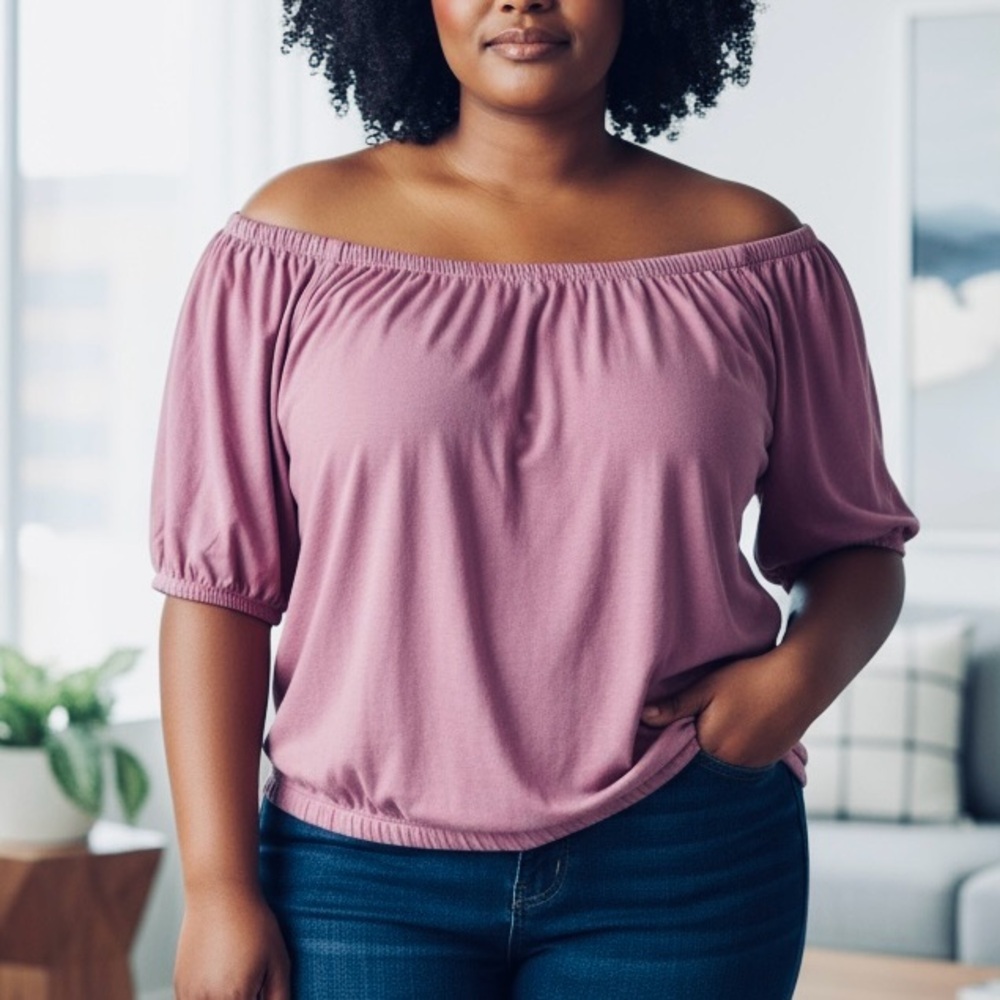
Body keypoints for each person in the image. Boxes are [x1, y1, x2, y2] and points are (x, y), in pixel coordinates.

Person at [150, 1, 920, 997]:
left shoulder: (758, 259)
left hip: (683, 857)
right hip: (353, 874)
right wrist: (215, 887)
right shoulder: (280, 253)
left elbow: (854, 542)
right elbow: (217, 587)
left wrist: (784, 690)